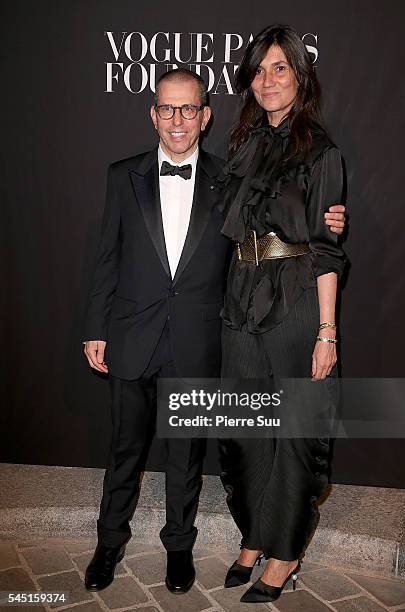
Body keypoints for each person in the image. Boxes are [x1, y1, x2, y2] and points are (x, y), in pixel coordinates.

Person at [82, 68, 345, 594]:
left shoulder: (230, 180)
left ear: (204, 116)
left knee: (186, 455)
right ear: (153, 114)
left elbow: (274, 226)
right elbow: (106, 258)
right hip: (132, 336)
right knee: (124, 451)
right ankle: (108, 544)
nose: (177, 119)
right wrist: (96, 328)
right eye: (166, 108)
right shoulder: (122, 175)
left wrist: (325, 219)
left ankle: (179, 548)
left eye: (188, 109)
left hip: (197, 341)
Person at [217, 25, 346, 604]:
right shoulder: (242, 142)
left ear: (300, 75)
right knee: (245, 429)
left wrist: (326, 331)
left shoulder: (321, 150)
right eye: (260, 70)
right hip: (240, 298)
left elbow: (325, 247)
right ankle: (255, 533)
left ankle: (286, 550)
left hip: (294, 300)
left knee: (293, 432)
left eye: (281, 69)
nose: (268, 81)